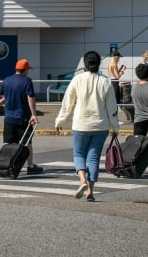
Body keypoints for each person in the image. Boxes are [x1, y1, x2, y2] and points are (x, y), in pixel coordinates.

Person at [54, 50, 120, 202]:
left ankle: (82, 180)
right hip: (100, 125)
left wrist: (60, 120)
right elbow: (112, 107)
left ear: (85, 63)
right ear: (98, 64)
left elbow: (68, 102)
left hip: (80, 124)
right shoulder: (105, 81)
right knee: (94, 158)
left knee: (79, 155)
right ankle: (90, 191)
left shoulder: (78, 79)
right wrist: (115, 127)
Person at [0, 59, 43, 174]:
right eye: (28, 69)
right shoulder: (27, 81)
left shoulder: (6, 80)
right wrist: (33, 114)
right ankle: (30, 166)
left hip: (8, 117)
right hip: (23, 117)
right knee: (27, 142)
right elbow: (31, 98)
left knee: (7, 142)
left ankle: (4, 164)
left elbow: (3, 96)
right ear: (26, 69)